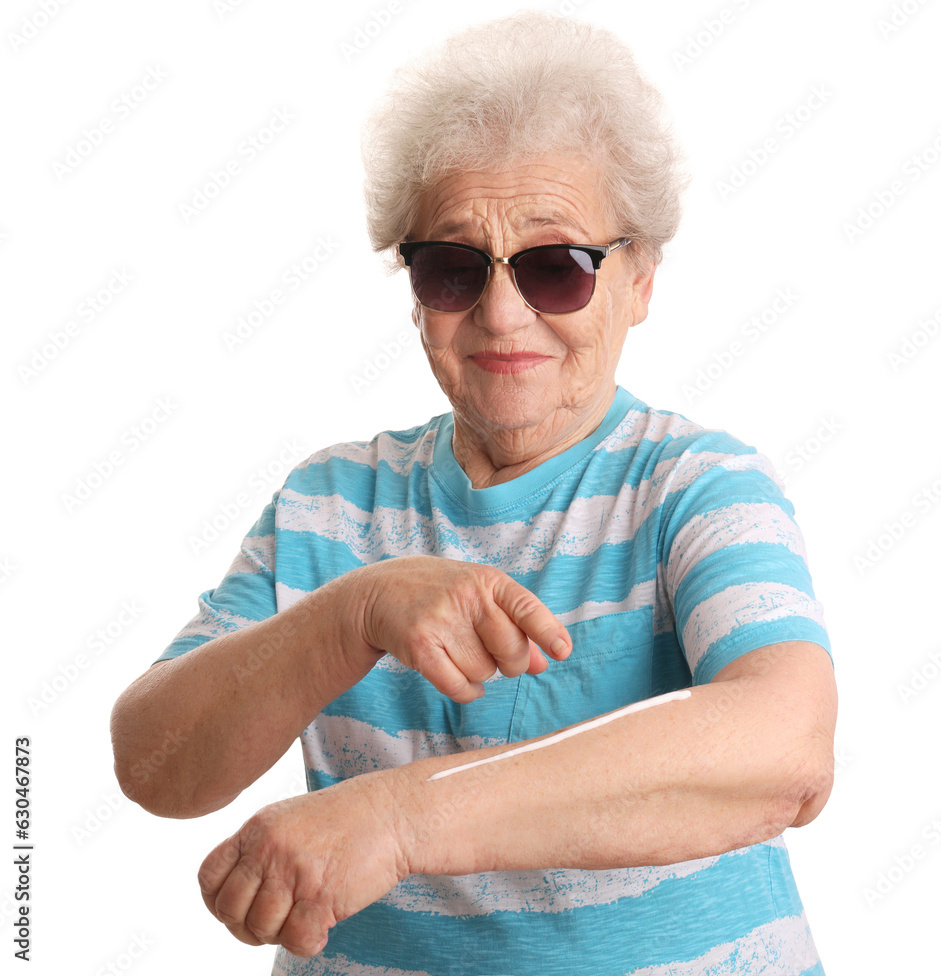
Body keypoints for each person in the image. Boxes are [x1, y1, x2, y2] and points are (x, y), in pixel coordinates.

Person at [110, 11, 837, 976]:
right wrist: (353, 615)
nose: (502, 312)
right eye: (454, 266)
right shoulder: (330, 504)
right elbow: (156, 765)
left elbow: (786, 747)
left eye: (558, 266)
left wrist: (400, 822)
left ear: (642, 279)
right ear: (415, 288)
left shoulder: (699, 486)